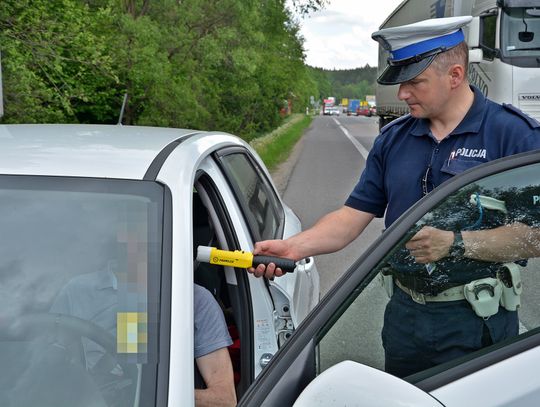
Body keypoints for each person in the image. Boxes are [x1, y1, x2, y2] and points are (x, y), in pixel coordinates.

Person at [248, 16, 540, 378]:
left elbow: (535, 236)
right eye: (401, 83)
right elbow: (351, 216)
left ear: (455, 75)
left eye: (415, 82)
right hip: (404, 317)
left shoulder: (515, 137)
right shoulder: (394, 138)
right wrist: (295, 247)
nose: (402, 94)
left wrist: (457, 243)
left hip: (478, 322)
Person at [50, 268, 236, 407]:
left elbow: (224, 399)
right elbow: (46, 369)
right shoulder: (77, 291)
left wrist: (152, 395)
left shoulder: (194, 300)